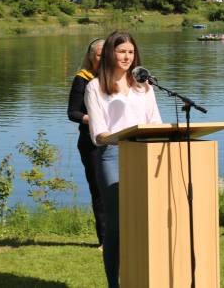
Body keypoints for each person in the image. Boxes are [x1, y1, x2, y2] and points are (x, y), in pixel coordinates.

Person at [85, 31, 162, 288]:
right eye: (121, 51)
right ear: (109, 53)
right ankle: (113, 284)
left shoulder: (145, 86)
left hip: (145, 156)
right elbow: (99, 134)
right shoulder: (94, 87)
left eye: (130, 52)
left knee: (145, 221)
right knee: (116, 227)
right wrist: (124, 136)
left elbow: (155, 124)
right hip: (113, 157)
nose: (126, 57)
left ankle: (144, 278)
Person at [67, 38, 106, 248]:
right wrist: (94, 118)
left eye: (105, 53)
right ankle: (104, 240)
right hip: (91, 142)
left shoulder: (118, 79)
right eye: (99, 54)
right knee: (99, 191)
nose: (102, 58)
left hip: (116, 141)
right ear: (91, 57)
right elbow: (72, 113)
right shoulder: (82, 79)